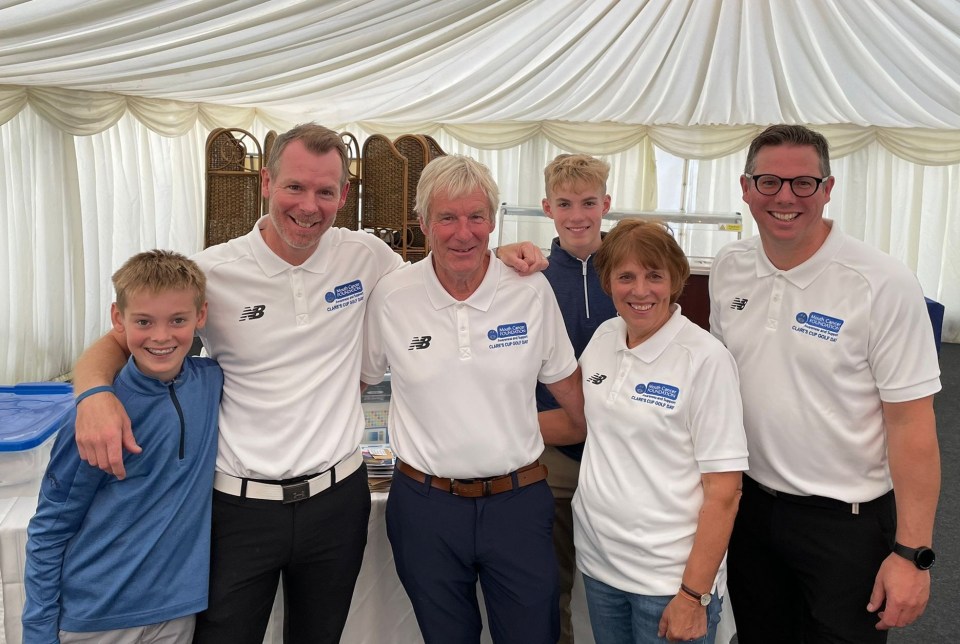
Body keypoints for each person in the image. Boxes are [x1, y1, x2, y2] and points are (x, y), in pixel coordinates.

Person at [69, 124, 545, 644]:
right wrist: (93, 394)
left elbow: (443, 263)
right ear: (267, 183)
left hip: (335, 502)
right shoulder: (215, 271)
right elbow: (123, 335)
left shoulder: (365, 257)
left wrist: (498, 255)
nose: (309, 206)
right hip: (238, 506)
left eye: (325, 191)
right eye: (296, 187)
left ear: (344, 194)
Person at [709, 124, 942, 642]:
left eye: (803, 183)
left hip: (846, 527)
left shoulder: (881, 283)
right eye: (768, 182)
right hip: (749, 512)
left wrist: (912, 555)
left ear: (828, 188)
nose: (785, 197)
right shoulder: (729, 268)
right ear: (746, 188)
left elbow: (912, 425)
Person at [361, 154, 588, 644]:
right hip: (425, 508)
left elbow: (572, 391)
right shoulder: (392, 295)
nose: (463, 233)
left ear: (493, 221)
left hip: (518, 503)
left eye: (476, 217)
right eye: (447, 217)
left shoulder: (529, 290)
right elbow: (356, 383)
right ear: (422, 223)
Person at [22, 250, 222, 644]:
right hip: (96, 618)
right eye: (143, 322)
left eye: (177, 320)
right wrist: (38, 633)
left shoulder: (211, 382)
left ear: (201, 316)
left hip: (177, 613)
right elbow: (49, 527)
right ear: (118, 319)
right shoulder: (96, 418)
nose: (161, 336)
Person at [566, 219, 747, 644]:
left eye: (654, 275)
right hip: (600, 565)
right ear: (608, 282)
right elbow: (582, 423)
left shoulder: (705, 359)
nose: (640, 290)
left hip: (668, 582)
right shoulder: (605, 337)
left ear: (676, 280)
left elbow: (725, 492)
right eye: (626, 276)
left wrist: (693, 594)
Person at [536, 153, 619, 644]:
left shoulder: (631, 270)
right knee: (551, 583)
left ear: (605, 204)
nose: (578, 215)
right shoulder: (530, 275)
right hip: (553, 456)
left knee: (628, 579)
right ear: (548, 207)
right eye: (565, 204)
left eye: (589, 203)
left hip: (623, 451)